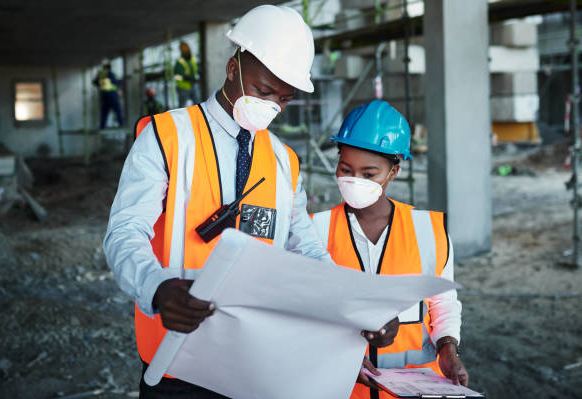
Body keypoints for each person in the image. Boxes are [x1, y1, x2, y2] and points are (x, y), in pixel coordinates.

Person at [104, 5, 393, 398]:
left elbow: (305, 248)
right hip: (177, 357)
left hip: (256, 359)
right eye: (262, 90)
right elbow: (125, 231)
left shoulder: (283, 161)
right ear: (232, 67)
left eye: (283, 99)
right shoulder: (166, 136)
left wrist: (354, 307)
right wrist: (156, 288)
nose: (272, 105)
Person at [311, 100, 469, 399]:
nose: (355, 180)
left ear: (393, 172)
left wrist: (448, 347)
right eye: (346, 169)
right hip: (343, 389)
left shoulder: (428, 230)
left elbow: (442, 303)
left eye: (369, 174)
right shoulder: (314, 231)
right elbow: (306, 311)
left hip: (415, 390)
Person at [93, 58, 124, 129]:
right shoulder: (110, 73)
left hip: (104, 95)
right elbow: (116, 83)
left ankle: (102, 126)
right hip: (112, 95)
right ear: (109, 67)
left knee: (105, 111)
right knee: (118, 110)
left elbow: (95, 82)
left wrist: (101, 85)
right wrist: (120, 82)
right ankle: (121, 124)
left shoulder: (101, 74)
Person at [174, 41, 199, 107]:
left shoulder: (192, 58)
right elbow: (177, 76)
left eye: (186, 48)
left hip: (192, 85)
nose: (186, 50)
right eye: (184, 49)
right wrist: (188, 78)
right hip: (183, 87)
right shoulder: (180, 62)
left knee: (197, 104)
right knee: (182, 106)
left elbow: (195, 69)